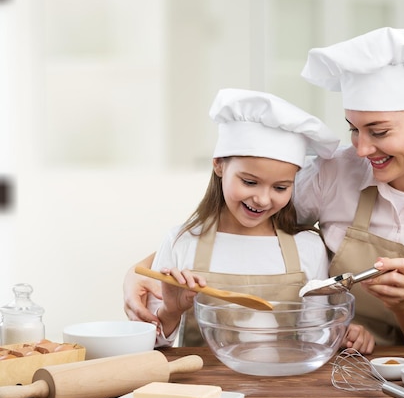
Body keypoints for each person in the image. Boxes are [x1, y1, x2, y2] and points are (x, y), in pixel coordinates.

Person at [125, 26, 404, 348]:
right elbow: (244, 217)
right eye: (354, 129)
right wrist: (142, 271)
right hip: (329, 364)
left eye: (378, 131)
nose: (362, 149)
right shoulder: (336, 174)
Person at [145, 88, 374, 353]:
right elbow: (151, 346)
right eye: (250, 182)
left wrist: (345, 334)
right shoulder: (181, 242)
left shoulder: (307, 246)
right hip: (205, 390)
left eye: (280, 188)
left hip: (286, 388)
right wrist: (171, 311)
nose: (263, 200)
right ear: (219, 165)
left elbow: (317, 336)